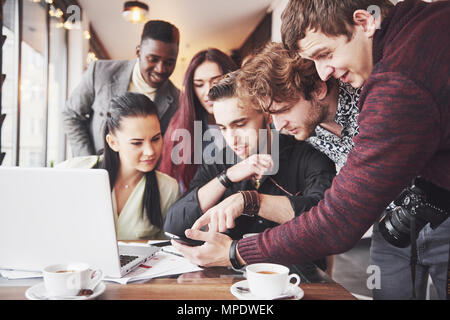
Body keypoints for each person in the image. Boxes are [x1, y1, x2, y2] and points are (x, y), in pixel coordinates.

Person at [170, 0, 450, 300]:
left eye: (325, 54)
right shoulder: (307, 130)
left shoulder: (387, 87)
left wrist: (236, 252)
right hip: (392, 225)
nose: (325, 71)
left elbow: (337, 220)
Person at [165, 71, 336, 272]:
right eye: (223, 128)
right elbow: (174, 225)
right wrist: (226, 177)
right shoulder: (221, 160)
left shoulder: (309, 155)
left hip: (296, 278)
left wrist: (249, 200)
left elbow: (326, 218)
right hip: (233, 279)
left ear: (266, 114)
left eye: (240, 124)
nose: (232, 139)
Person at [57, 92, 179, 240]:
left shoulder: (168, 189)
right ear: (113, 142)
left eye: (155, 139)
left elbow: (163, 252)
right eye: (137, 143)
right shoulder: (75, 171)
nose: (150, 151)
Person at [237, 41, 361, 172]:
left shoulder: (368, 97)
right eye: (271, 114)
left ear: (318, 89)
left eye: (284, 110)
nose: (279, 127)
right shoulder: (311, 135)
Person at [63, 20, 180, 156]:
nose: (160, 69)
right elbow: (71, 115)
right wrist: (89, 163)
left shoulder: (178, 100)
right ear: (138, 52)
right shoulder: (100, 72)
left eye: (169, 62)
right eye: (153, 59)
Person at [159, 49, 237, 191]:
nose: (208, 92)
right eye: (199, 84)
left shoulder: (250, 122)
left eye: (216, 81)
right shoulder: (180, 128)